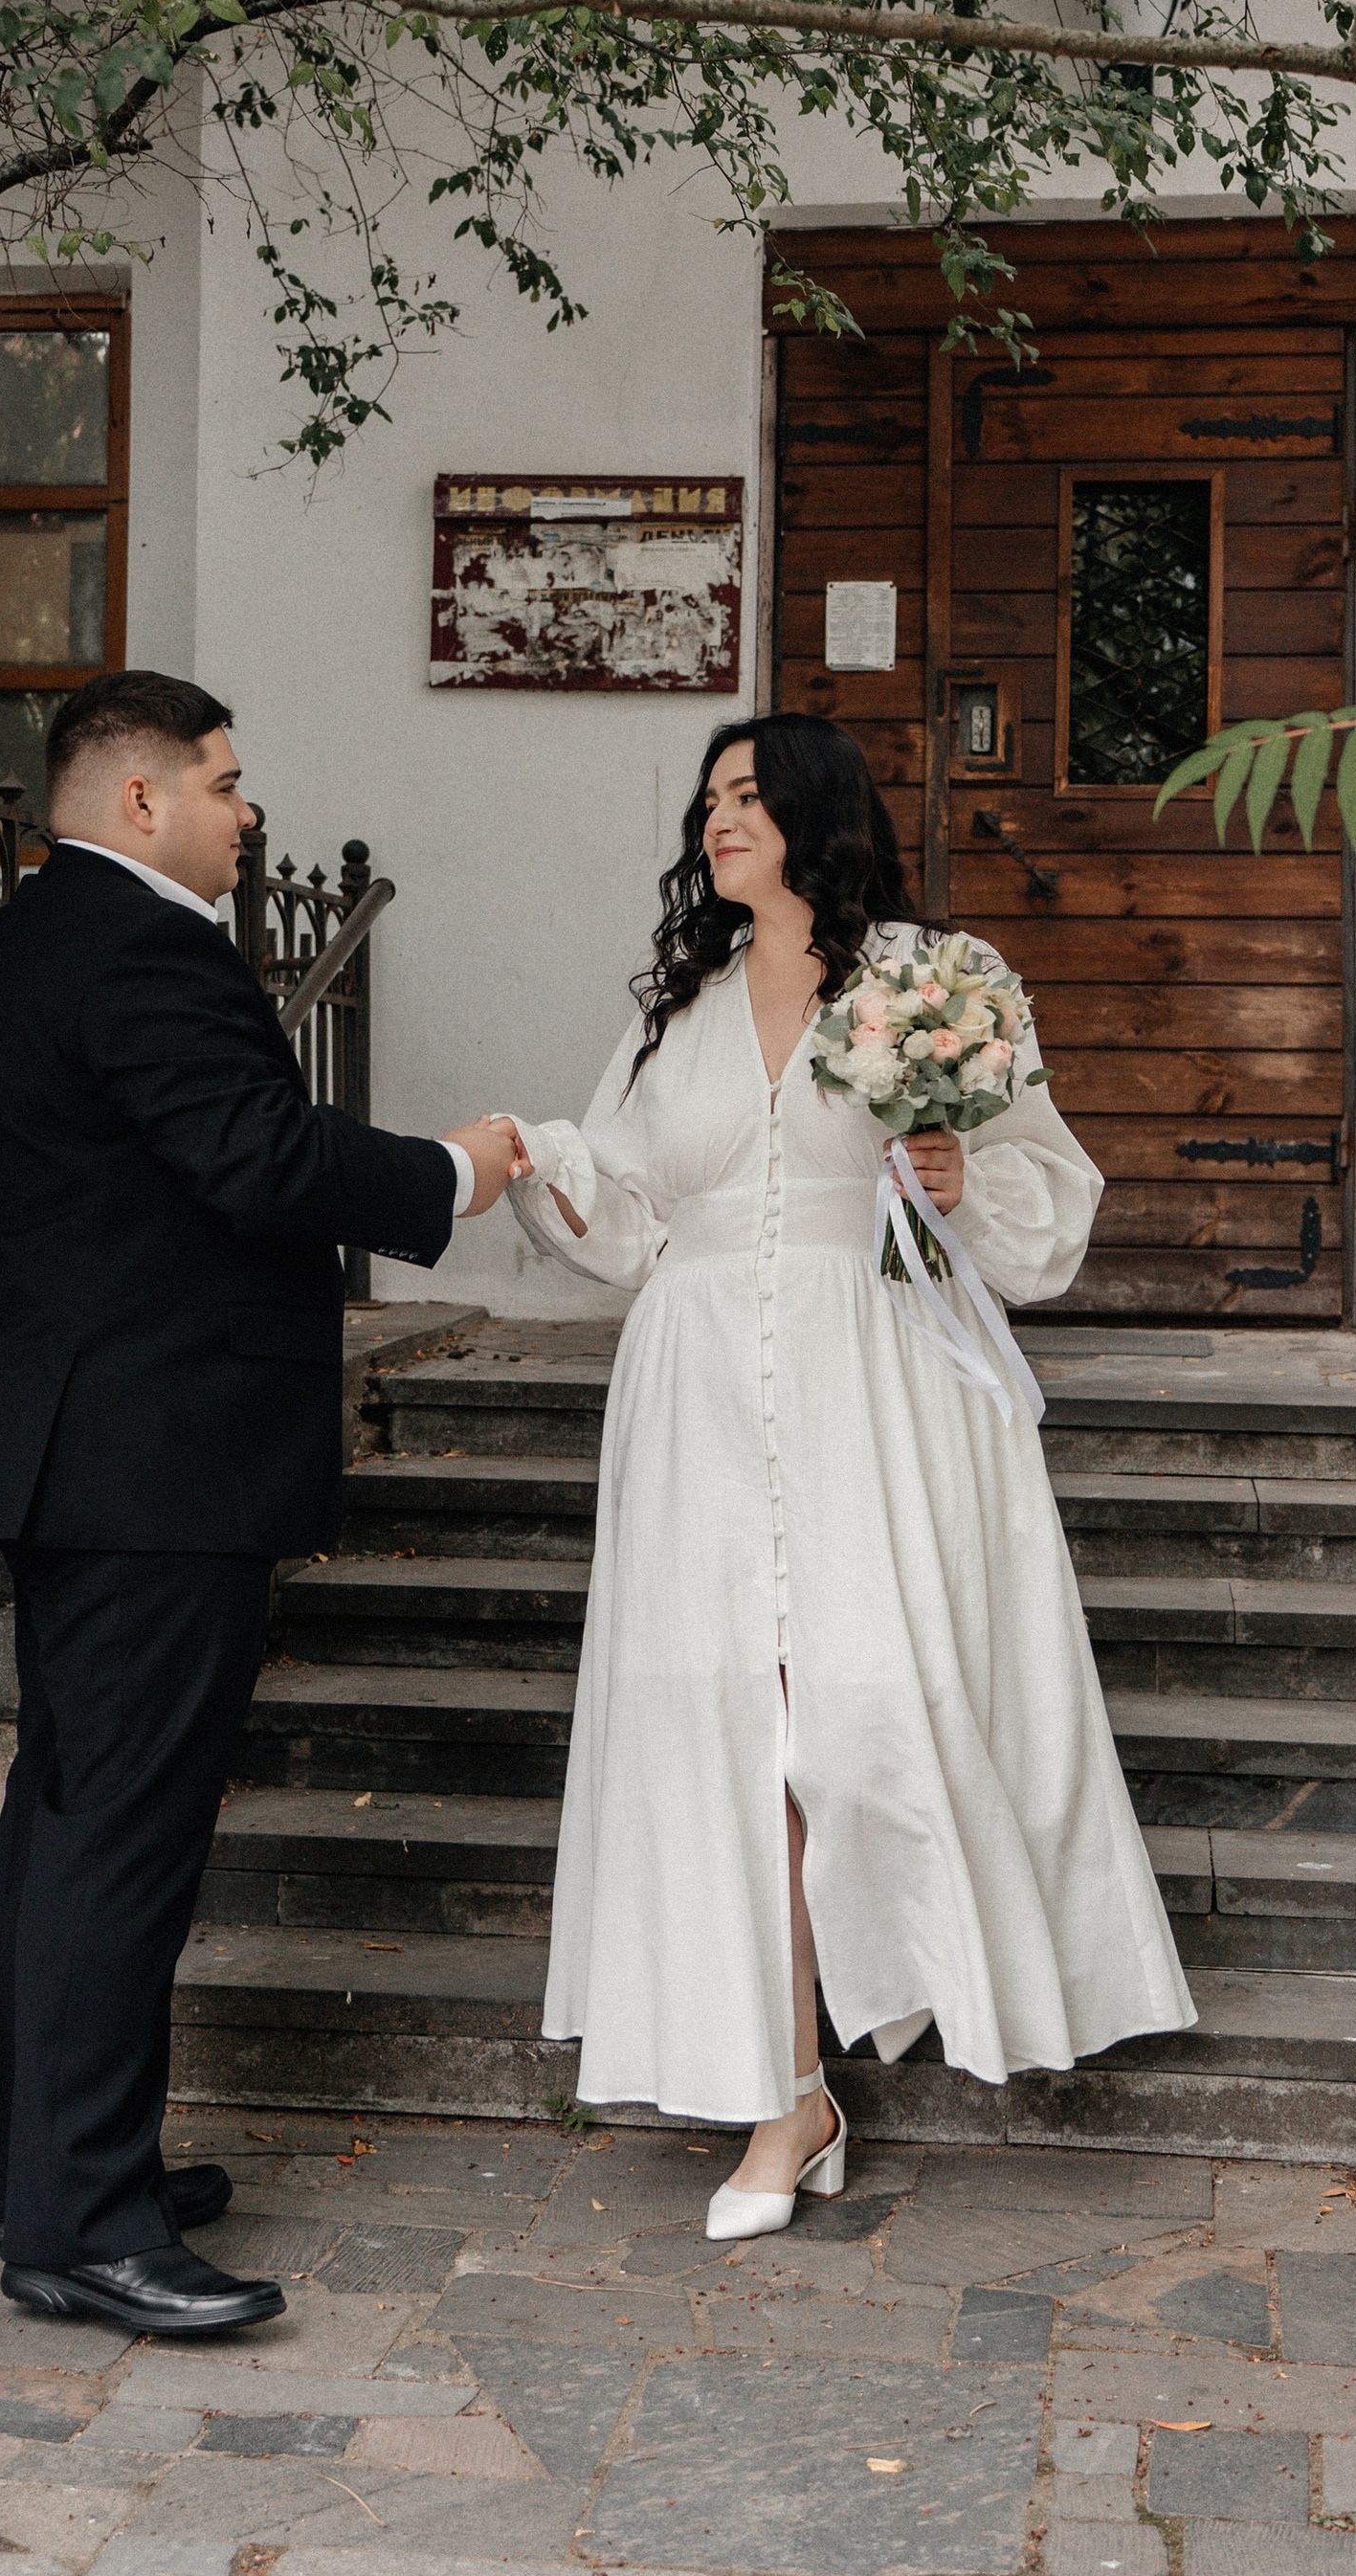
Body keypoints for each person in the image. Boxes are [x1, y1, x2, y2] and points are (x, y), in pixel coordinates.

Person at [498, 711, 1194, 2238]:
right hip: (694, 1392)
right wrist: (529, 1161)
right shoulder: (674, 1011)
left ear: (814, 815)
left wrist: (960, 1174)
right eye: (706, 797)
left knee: (862, 1716)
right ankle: (781, 2094)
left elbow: (1045, 1196)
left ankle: (923, 1996)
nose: (716, 817)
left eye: (746, 794)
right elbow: (625, 1212)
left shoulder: (927, 986)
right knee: (724, 1735)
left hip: (869, 1380)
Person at [0, 667, 518, 2338]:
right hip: (147, 1453)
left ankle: (55, 2176)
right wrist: (451, 1171)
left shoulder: (49, 936)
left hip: (87, 1443)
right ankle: (86, 2225)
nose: (251, 816)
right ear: (137, 803)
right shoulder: (144, 946)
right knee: (118, 1839)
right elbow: (254, 1156)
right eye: (229, 785)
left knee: (68, 1824)